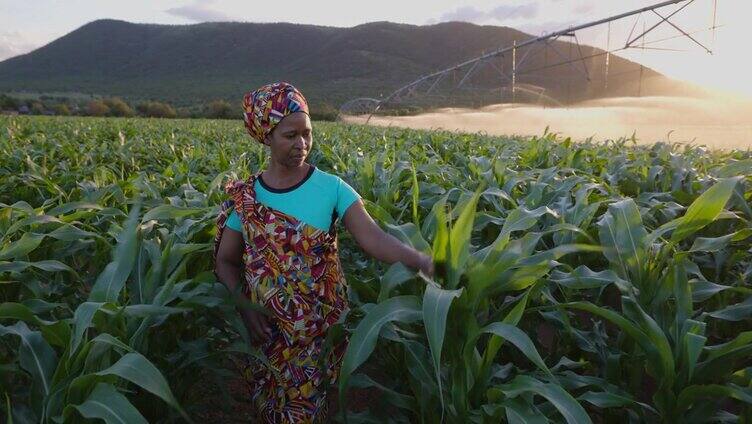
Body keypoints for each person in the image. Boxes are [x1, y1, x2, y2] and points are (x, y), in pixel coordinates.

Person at [213, 82, 433, 423]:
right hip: (266, 331)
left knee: (307, 409)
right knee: (268, 404)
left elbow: (372, 238)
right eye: (290, 135)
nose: (302, 144)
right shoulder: (247, 198)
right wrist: (243, 303)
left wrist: (420, 260)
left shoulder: (332, 188)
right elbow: (225, 260)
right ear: (266, 136)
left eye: (307, 134)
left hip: (318, 328)